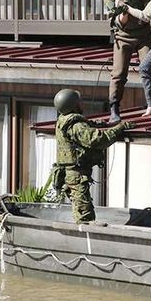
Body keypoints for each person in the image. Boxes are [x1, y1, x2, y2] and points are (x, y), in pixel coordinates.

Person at [51, 88, 134, 224]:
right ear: (74, 105)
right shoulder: (76, 125)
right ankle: (87, 237)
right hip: (76, 175)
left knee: (81, 207)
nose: (82, 104)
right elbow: (97, 140)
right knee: (84, 213)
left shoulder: (63, 120)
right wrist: (119, 128)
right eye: (80, 102)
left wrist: (93, 124)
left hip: (71, 173)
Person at [104, 0, 151, 124]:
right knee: (118, 73)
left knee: (150, 67)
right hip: (123, 37)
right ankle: (114, 108)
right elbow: (118, 23)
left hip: (144, 35)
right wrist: (123, 13)